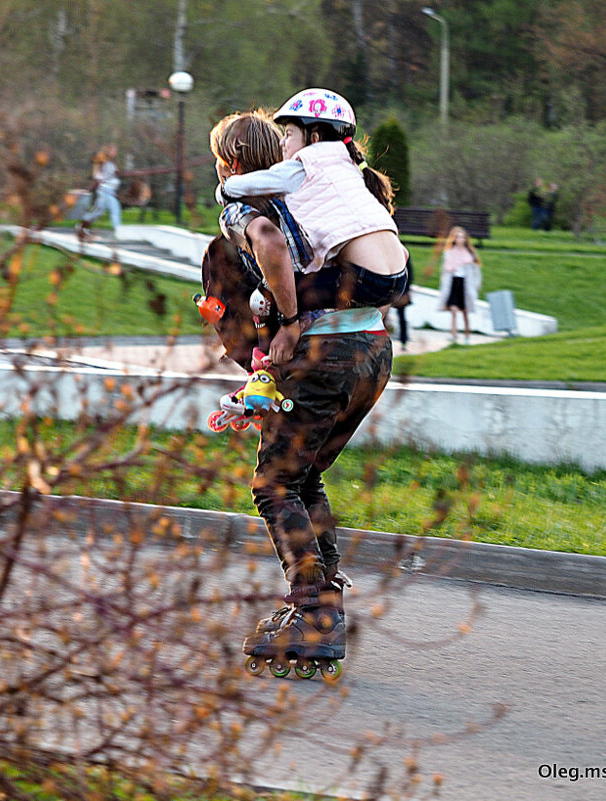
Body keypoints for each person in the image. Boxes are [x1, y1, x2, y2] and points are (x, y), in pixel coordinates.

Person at [206, 98, 396, 679]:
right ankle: (323, 599)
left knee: (275, 482)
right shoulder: (322, 193)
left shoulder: (244, 211)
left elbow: (258, 264)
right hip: (373, 350)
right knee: (303, 475)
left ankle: (313, 612)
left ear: (231, 163)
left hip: (321, 359)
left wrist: (280, 335)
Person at [217, 88, 410, 340]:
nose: (281, 143)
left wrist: (225, 189)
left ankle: (276, 350)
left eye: (288, 134)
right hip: (397, 278)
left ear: (314, 138)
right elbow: (402, 253)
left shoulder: (305, 166)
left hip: (367, 280)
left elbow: (258, 182)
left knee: (271, 295)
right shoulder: (349, 171)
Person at [436, 225, 482, 344]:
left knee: (465, 311)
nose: (460, 239)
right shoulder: (449, 253)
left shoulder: (470, 254)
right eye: (457, 237)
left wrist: (475, 287)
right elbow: (445, 270)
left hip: (465, 284)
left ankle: (467, 335)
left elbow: (476, 273)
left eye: (462, 237)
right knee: (454, 310)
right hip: (453, 283)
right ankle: (454, 334)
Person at [76, 144, 122, 239]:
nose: (115, 153)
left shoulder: (112, 163)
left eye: (116, 151)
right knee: (115, 208)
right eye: (113, 151)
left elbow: (114, 174)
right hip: (105, 190)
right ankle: (119, 231)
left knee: (98, 211)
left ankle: (82, 225)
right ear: (108, 151)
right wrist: (103, 179)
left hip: (110, 190)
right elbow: (96, 175)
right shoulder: (102, 161)